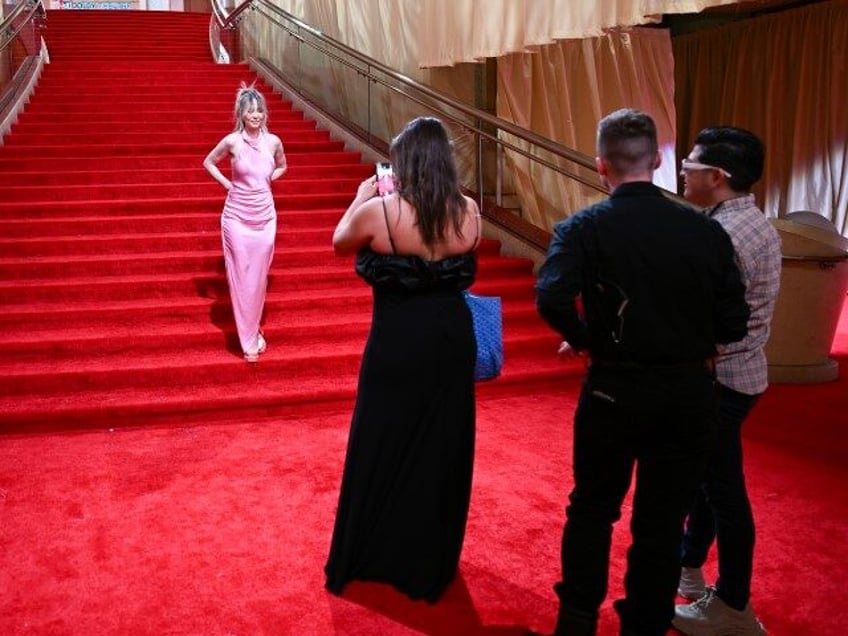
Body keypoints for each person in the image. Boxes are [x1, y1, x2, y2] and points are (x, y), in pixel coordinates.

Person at [535, 108, 750, 636]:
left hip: (614, 388)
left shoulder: (584, 227)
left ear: (600, 164)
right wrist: (699, 342)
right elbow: (734, 319)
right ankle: (646, 625)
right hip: (686, 393)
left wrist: (588, 341)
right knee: (661, 521)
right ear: (656, 159)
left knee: (591, 508)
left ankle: (578, 619)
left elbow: (551, 295)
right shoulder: (705, 232)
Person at [324, 116, 481, 602]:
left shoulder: (384, 212)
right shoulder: (470, 212)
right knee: (440, 447)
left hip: (398, 341)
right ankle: (429, 556)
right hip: (453, 340)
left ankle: (374, 549)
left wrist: (360, 196)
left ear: (406, 162)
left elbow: (338, 242)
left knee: (381, 439)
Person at [673, 127, 781, 636]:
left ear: (717, 177)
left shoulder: (723, 235)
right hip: (743, 374)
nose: (682, 172)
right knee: (704, 482)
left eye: (690, 166)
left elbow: (708, 322)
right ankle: (690, 568)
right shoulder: (752, 221)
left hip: (720, 378)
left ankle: (734, 605)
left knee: (723, 493)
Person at [203, 83, 287, 363]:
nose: (256, 115)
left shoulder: (274, 141)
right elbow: (209, 162)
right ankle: (248, 338)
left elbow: (282, 165)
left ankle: (252, 329)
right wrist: (229, 184)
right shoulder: (232, 142)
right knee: (241, 276)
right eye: (251, 111)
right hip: (236, 216)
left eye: (260, 110)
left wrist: (266, 181)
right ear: (241, 114)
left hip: (265, 217)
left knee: (258, 277)